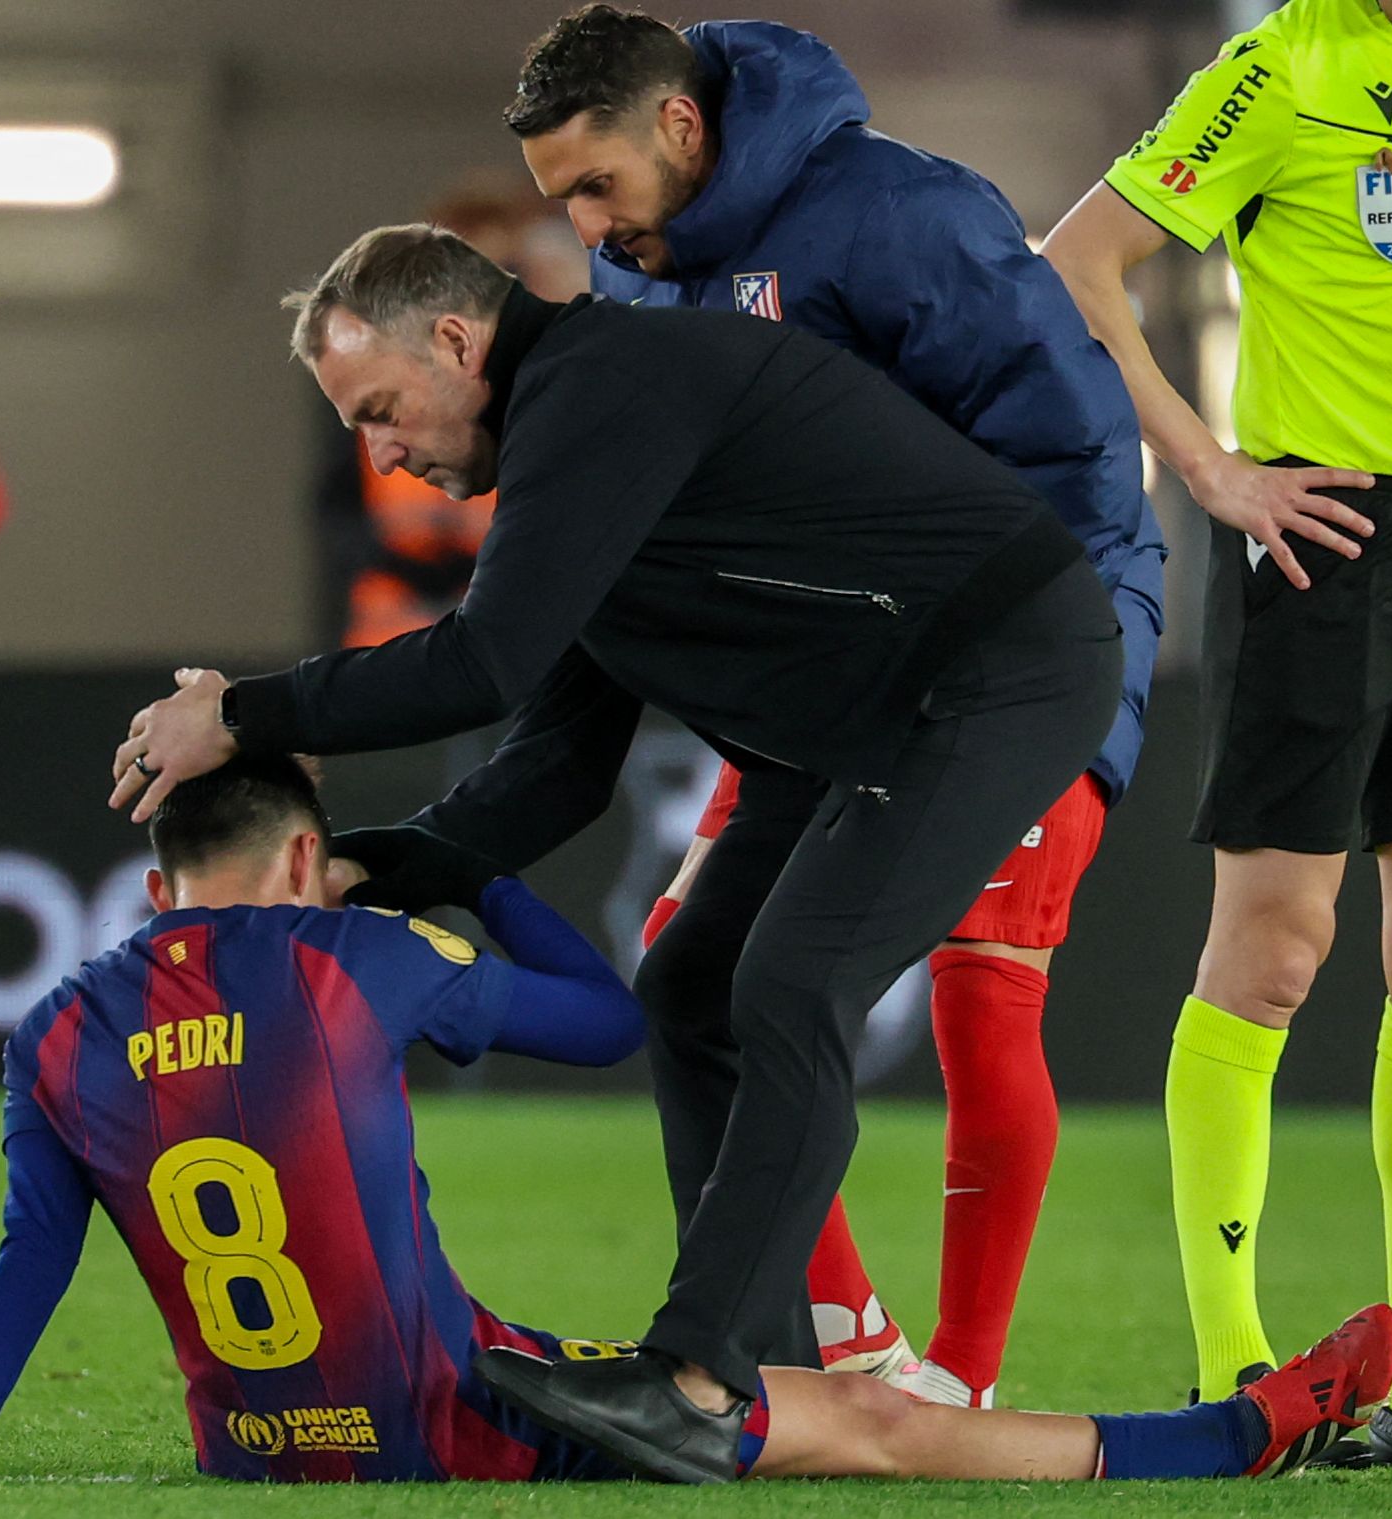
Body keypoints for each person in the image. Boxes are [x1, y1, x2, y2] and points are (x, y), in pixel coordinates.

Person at [109, 223, 1124, 1482]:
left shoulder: (598, 390)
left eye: (379, 412)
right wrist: (382, 864)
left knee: (793, 983)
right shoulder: (573, 440)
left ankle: (694, 1379)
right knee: (692, 982)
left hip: (996, 670)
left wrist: (243, 714)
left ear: (455, 339)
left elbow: (483, 661)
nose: (379, 454)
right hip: (857, 713)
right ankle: (755, 1368)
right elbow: (560, 758)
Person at [0, 754, 1392, 1486]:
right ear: (301, 860)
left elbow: (27, 1262)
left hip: (260, 1449)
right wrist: (469, 883)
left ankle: (1250, 1424)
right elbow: (613, 1016)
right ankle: (1242, 1429)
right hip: (451, 1419)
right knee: (864, 1421)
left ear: (151, 886)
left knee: (750, 1396)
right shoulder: (359, 959)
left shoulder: (55, 1027)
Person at [500, 5, 1167, 1408]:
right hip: (833, 675)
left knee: (980, 998)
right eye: (559, 199)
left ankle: (960, 1393)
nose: (582, 227)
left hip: (1029, 647)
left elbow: (1072, 446)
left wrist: (1040, 671)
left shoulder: (900, 217)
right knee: (699, 962)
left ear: (679, 129)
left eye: (593, 187)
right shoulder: (643, 273)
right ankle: (847, 1341)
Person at [1039, 0, 1392, 1467]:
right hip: (1323, 534)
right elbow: (1076, 261)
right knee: (1274, 953)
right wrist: (1210, 470)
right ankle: (1233, 1369)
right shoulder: (1276, 62)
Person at [316, 172, 589, 649]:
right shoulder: (369, 388)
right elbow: (338, 516)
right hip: (396, 660)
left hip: (502, 660)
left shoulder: (551, 390)